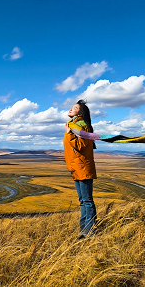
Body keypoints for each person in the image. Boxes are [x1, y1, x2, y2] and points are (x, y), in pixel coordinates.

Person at [63, 100, 97, 239]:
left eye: (75, 108)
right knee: (82, 201)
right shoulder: (74, 125)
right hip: (77, 167)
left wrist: (69, 133)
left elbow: (81, 146)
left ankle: (90, 232)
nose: (71, 109)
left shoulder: (80, 126)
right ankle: (84, 231)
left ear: (80, 113)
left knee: (87, 200)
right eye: (72, 107)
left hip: (82, 167)